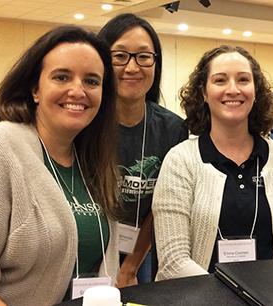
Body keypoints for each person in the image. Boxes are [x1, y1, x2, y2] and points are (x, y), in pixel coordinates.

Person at [152, 45, 273, 281]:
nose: (233, 89)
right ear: (204, 93)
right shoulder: (180, 161)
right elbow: (173, 262)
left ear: (255, 91)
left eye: (243, 80)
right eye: (220, 80)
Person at [0, 26, 119, 305]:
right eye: (62, 77)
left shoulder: (93, 159)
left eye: (91, 81)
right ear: (35, 89)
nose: (78, 91)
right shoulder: (1, 146)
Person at [98, 14, 188, 286]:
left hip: (141, 247)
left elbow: (161, 205)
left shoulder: (172, 129)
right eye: (120, 56)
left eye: (144, 57)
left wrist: (130, 267)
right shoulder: (87, 124)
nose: (132, 67)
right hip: (90, 245)